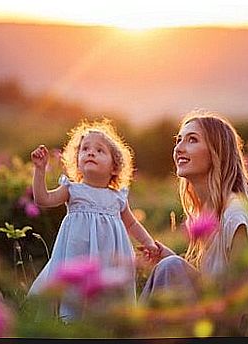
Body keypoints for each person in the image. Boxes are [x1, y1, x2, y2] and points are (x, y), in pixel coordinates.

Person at [139, 110, 248, 310]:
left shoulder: (235, 215)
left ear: (216, 152)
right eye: (179, 140)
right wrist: (169, 257)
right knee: (171, 265)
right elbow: (210, 285)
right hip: (210, 315)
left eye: (192, 140)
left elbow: (237, 299)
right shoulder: (207, 213)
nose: (178, 149)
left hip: (233, 327)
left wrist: (174, 266)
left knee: (171, 266)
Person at [27, 119, 159, 321]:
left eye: (99, 151)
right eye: (85, 149)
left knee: (107, 297)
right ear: (77, 161)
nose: (90, 153)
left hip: (109, 257)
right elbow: (43, 199)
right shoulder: (72, 190)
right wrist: (39, 170)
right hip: (76, 257)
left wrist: (148, 242)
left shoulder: (117, 198)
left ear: (114, 168)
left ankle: (107, 324)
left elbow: (132, 223)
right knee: (74, 292)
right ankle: (69, 321)